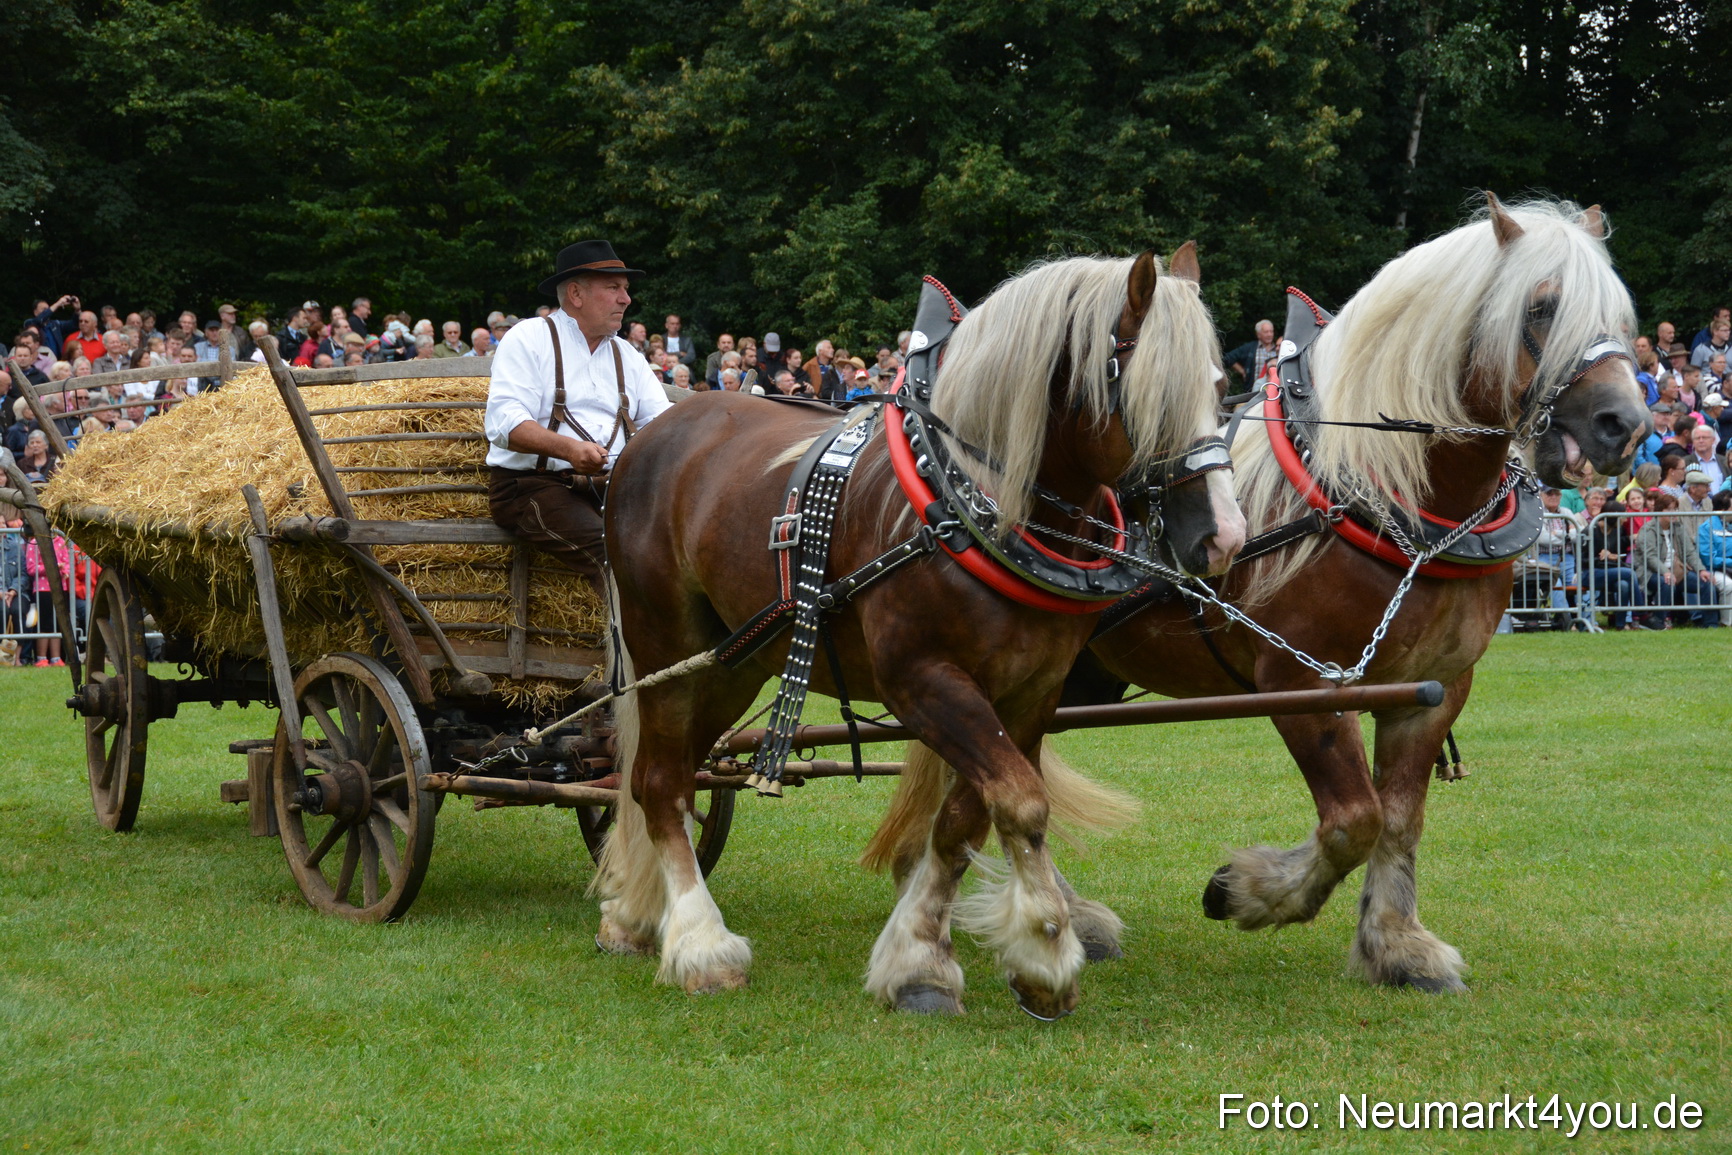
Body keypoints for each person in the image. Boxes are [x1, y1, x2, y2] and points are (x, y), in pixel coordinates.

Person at [485, 240, 670, 586]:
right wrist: (570, 450)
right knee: (623, 555)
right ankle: (625, 640)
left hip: (612, 489)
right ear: (575, 294)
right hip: (533, 489)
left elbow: (663, 426)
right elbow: (503, 423)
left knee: (676, 549)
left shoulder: (626, 355)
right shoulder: (529, 338)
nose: (626, 299)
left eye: (625, 289)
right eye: (614, 288)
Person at [1632, 492, 1713, 628]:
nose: (1674, 513)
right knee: (1667, 582)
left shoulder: (1678, 528)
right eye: (1669, 509)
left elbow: (1690, 553)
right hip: (1651, 573)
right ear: (1659, 511)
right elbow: (1650, 557)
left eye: (1675, 509)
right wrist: (1665, 572)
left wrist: (1701, 570)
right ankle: (1659, 621)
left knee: (1706, 583)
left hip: (1677, 571)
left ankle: (1710, 624)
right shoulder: (1648, 530)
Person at [1583, 487, 1638, 629]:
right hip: (1590, 572)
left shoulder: (1616, 531)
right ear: (1614, 517)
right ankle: (1641, 612)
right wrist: (1601, 558)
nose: (1625, 520)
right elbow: (1583, 560)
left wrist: (1613, 557)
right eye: (1622, 516)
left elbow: (1616, 555)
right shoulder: (1591, 531)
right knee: (1629, 573)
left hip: (1610, 572)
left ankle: (1620, 624)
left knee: (1624, 585)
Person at [1697, 490, 1732, 626]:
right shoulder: (1706, 528)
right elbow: (1709, 559)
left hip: (1728, 567)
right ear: (1723, 510)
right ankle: (1727, 624)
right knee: (1728, 586)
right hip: (1713, 569)